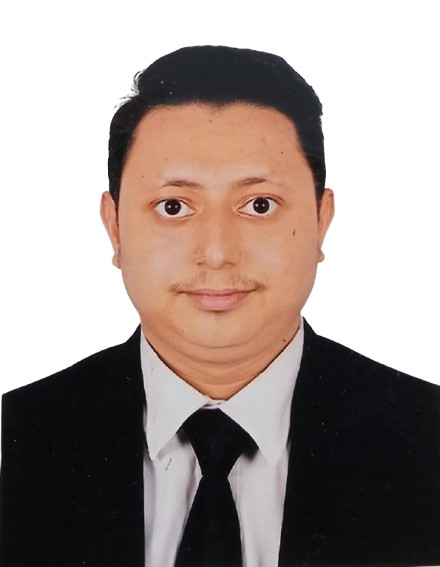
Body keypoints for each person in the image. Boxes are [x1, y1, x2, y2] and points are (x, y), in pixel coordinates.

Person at [1, 45, 439, 567]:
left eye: (259, 205)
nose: (216, 252)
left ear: (321, 221)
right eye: (173, 207)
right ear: (115, 227)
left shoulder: (427, 437)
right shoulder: (16, 438)